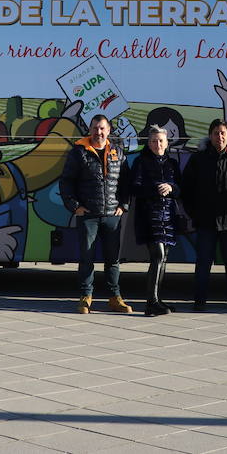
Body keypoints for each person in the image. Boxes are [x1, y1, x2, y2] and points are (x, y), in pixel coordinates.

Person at [59, 114, 133, 315]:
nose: (98, 132)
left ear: (108, 130)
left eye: (102, 128)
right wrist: (75, 207)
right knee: (86, 257)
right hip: (88, 215)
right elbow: (66, 182)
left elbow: (126, 182)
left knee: (113, 259)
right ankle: (85, 297)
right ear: (89, 130)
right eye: (95, 128)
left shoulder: (117, 151)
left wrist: (123, 205)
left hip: (112, 215)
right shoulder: (79, 152)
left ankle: (114, 297)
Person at [181, 119, 227, 311]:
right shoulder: (199, 159)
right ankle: (199, 302)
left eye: (222, 133)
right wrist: (193, 213)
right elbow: (186, 189)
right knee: (203, 264)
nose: (219, 137)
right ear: (210, 136)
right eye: (215, 133)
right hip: (205, 222)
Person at [124, 125, 181, 315]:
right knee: (157, 255)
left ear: (167, 143)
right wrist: (156, 188)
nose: (158, 144)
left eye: (161, 141)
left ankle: (158, 299)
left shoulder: (172, 163)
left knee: (163, 258)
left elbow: (181, 189)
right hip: (149, 216)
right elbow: (134, 188)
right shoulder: (141, 162)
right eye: (154, 141)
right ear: (149, 143)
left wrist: (171, 188)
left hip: (168, 217)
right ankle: (151, 302)